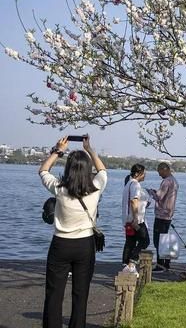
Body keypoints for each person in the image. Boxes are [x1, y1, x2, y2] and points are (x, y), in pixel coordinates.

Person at [39, 135, 107, 328]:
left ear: (68, 168)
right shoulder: (96, 189)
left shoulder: (59, 189)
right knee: (81, 293)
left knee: (54, 293)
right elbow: (102, 170)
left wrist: (58, 151)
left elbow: (43, 170)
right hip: (85, 245)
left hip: (60, 244)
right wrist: (90, 149)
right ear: (88, 169)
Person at [148, 162, 179, 271]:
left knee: (158, 241)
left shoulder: (166, 181)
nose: (159, 174)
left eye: (159, 171)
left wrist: (151, 192)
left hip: (162, 214)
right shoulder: (174, 181)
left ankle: (160, 264)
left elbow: (159, 197)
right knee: (165, 239)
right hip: (169, 214)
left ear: (164, 169)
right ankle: (166, 263)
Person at [121, 164, 150, 272]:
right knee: (145, 240)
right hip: (135, 220)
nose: (145, 176)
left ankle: (126, 265)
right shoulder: (135, 184)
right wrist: (136, 219)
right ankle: (132, 262)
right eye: (144, 174)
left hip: (127, 219)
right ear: (138, 174)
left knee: (130, 242)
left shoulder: (128, 183)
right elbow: (134, 201)